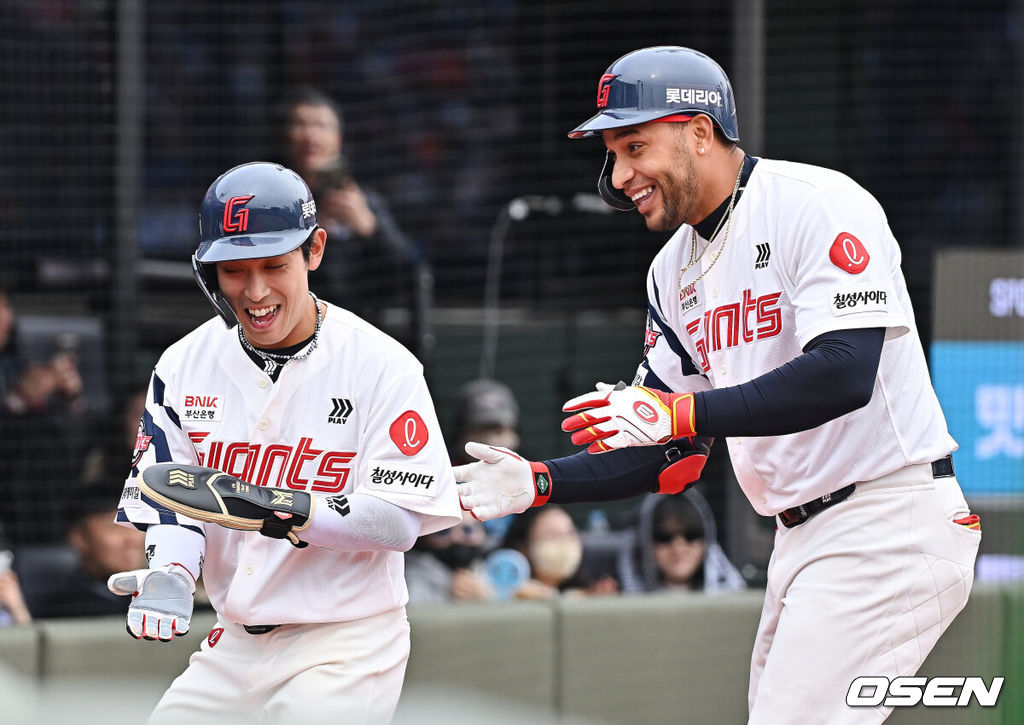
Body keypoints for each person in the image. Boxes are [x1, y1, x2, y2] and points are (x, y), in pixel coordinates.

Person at [454, 46, 981, 724]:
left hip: (885, 518)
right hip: (804, 536)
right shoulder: (670, 271)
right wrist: (539, 480)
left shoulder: (816, 203)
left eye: (635, 145)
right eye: (612, 153)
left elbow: (845, 371)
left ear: (700, 132)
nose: (619, 176)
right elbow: (666, 451)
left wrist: (678, 412)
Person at [110, 161, 461, 725]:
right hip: (233, 643)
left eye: (274, 265)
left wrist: (277, 506)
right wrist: (171, 574)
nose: (255, 291)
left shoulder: (382, 365)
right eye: (233, 270)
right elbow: (171, 496)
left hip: (344, 642)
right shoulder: (183, 365)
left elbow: (398, 522)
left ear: (314, 250)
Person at [281, 88, 420, 323]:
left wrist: (369, 228)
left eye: (321, 126)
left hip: (357, 324)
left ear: (338, 139)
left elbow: (411, 271)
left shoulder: (362, 200)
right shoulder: (274, 198)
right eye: (300, 124)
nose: (310, 136)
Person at [617, 488, 745, 594]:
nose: (679, 547)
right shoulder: (620, 604)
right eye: (664, 537)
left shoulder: (732, 602)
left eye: (691, 535)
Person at [499, 505, 618, 599]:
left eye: (570, 533)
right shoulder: (500, 594)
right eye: (551, 535)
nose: (563, 543)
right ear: (523, 547)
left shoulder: (585, 598)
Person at [404, 511, 495, 604]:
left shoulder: (495, 563)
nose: (456, 537)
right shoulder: (411, 573)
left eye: (467, 530)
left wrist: (485, 597)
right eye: (443, 532)